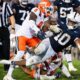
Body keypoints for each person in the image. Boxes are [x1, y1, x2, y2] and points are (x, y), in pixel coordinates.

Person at [53, 0, 80, 71]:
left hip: (69, 24)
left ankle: (69, 65)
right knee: (59, 45)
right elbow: (52, 11)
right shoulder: (59, 2)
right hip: (63, 25)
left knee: (67, 46)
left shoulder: (74, 2)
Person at [0, 0, 15, 71]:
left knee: (6, 49)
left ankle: (7, 67)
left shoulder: (5, 4)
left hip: (4, 29)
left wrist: (13, 27)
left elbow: (11, 16)